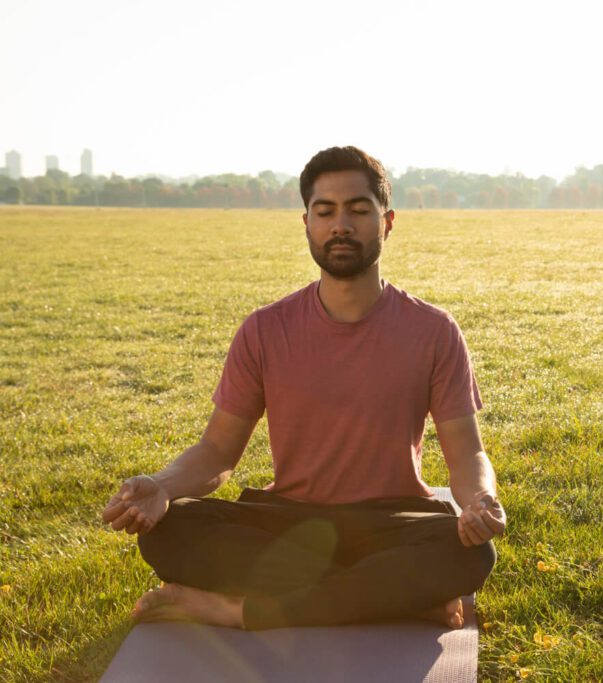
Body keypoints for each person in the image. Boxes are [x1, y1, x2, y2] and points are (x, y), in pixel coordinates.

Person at [101, 146, 504, 631]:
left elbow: (467, 456)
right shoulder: (265, 329)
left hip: (392, 521)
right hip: (288, 521)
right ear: (307, 223)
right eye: (325, 211)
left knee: (470, 554)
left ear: (387, 221)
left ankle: (239, 610)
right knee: (169, 533)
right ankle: (391, 599)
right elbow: (217, 453)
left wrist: (480, 499)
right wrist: (162, 487)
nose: (341, 225)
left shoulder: (434, 331)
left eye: (358, 210)